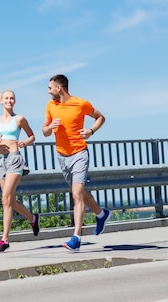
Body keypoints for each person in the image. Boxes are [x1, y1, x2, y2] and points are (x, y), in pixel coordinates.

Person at [41, 74, 111, 251]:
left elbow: (100, 117)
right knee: (78, 192)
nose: (48, 91)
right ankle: (101, 214)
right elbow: (44, 131)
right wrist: (50, 127)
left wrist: (91, 131)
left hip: (80, 153)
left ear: (59, 88)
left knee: (76, 194)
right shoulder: (51, 105)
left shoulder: (81, 103)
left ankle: (76, 238)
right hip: (62, 156)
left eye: (50, 88)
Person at [0, 89, 39, 253]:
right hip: (0, 160)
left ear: (14, 101)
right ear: (1, 101)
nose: (9, 101)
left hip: (14, 160)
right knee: (9, 201)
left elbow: (32, 136)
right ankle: (32, 218)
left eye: (12, 98)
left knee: (5, 198)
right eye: (7, 98)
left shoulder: (19, 119)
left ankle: (5, 239)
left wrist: (25, 142)